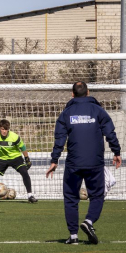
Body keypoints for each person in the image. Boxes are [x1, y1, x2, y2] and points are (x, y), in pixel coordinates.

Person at [46, 81, 122, 245]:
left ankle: (73, 236)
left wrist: (54, 160)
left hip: (73, 163)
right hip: (95, 162)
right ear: (88, 92)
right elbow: (110, 132)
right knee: (97, 196)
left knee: (71, 198)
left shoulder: (66, 113)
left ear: (72, 94)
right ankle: (88, 221)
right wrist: (116, 152)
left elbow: (59, 139)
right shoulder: (98, 111)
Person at [0, 119, 37, 204]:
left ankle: (30, 196)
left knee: (24, 172)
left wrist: (27, 159)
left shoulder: (14, 137)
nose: (4, 131)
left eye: (6, 129)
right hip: (1, 158)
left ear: (8, 129)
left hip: (16, 157)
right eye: (3, 129)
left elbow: (23, 147)